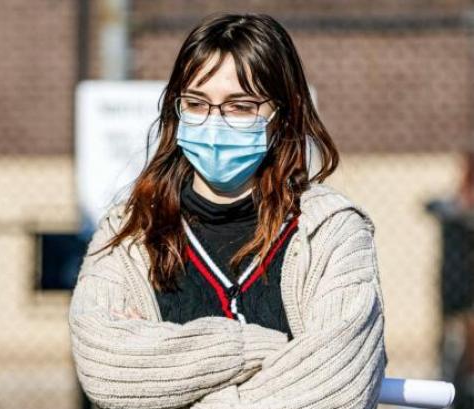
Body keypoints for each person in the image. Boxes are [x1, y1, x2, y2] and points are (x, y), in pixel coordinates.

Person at [68, 12, 388, 409]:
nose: (214, 122)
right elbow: (107, 368)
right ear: (176, 109)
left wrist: (179, 387)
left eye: (240, 107)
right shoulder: (131, 229)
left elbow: (337, 389)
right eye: (197, 104)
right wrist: (257, 351)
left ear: (282, 116)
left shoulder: (330, 230)